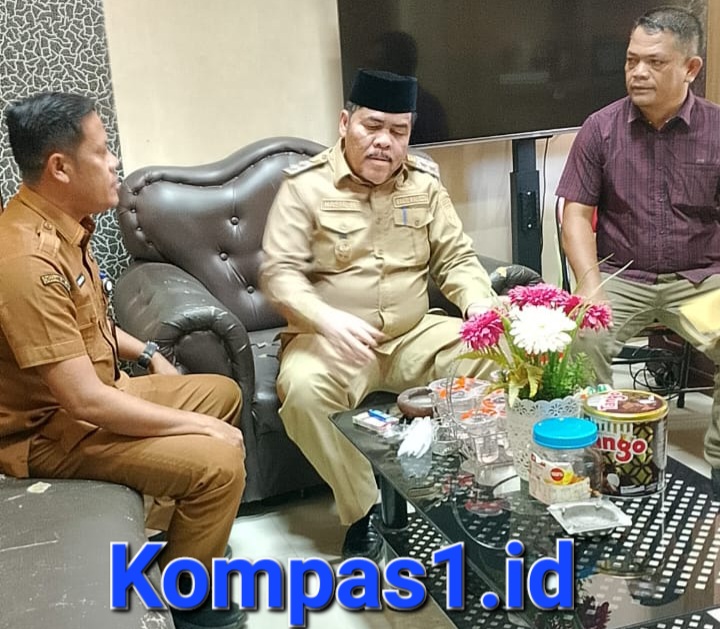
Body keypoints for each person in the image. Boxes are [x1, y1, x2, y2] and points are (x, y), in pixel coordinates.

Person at [0, 92, 247, 629]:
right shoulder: (25, 261)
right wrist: (199, 428)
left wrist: (151, 352)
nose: (115, 162)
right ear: (60, 167)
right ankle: (190, 602)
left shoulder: (65, 226)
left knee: (221, 393)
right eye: (103, 150)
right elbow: (84, 401)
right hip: (50, 434)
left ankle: (183, 542)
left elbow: (85, 329)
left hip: (94, 397)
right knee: (220, 463)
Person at [260, 69, 497, 560]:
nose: (384, 141)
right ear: (344, 123)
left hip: (415, 333)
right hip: (332, 341)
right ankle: (365, 511)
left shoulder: (424, 184)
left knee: (502, 356)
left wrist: (478, 305)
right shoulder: (305, 187)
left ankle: (474, 492)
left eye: (398, 131)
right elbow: (279, 274)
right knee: (303, 391)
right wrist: (325, 318)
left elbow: (456, 258)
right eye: (372, 126)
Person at [556, 8, 720, 492]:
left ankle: (718, 471)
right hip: (622, 277)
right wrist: (589, 286)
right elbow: (575, 215)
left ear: (690, 68)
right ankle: (596, 464)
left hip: (700, 281)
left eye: (655, 62)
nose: (638, 72)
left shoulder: (717, 129)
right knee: (581, 340)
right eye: (631, 61)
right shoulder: (600, 128)